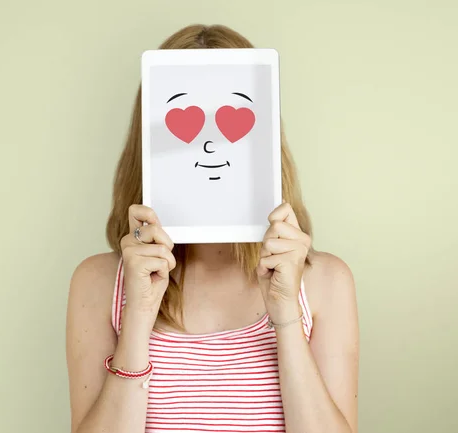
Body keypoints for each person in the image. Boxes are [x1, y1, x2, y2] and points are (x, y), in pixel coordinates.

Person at [66, 24, 359, 433]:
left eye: (229, 122)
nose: (209, 144)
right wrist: (138, 317)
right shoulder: (99, 283)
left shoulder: (324, 282)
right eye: (186, 123)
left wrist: (288, 318)